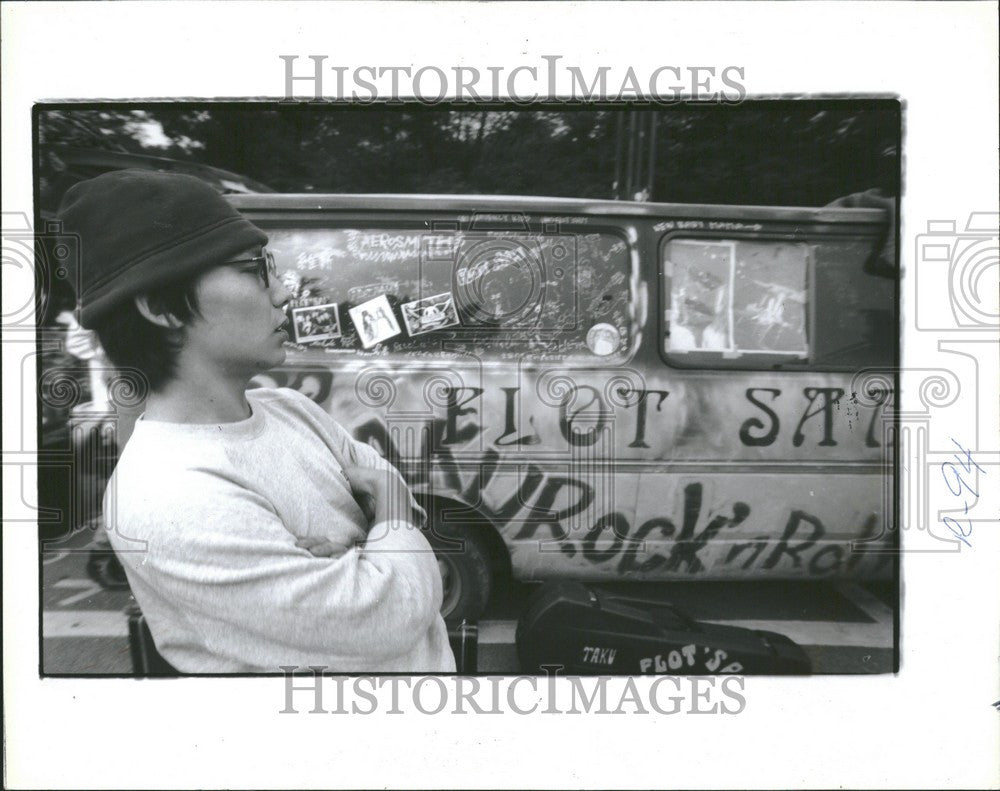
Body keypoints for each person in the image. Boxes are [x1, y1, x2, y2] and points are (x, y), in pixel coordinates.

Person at [57, 170, 454, 673]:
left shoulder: (291, 409)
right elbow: (387, 616)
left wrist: (373, 544)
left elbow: (402, 519)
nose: (284, 293)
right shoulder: (172, 494)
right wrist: (387, 515)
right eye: (254, 268)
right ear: (160, 306)